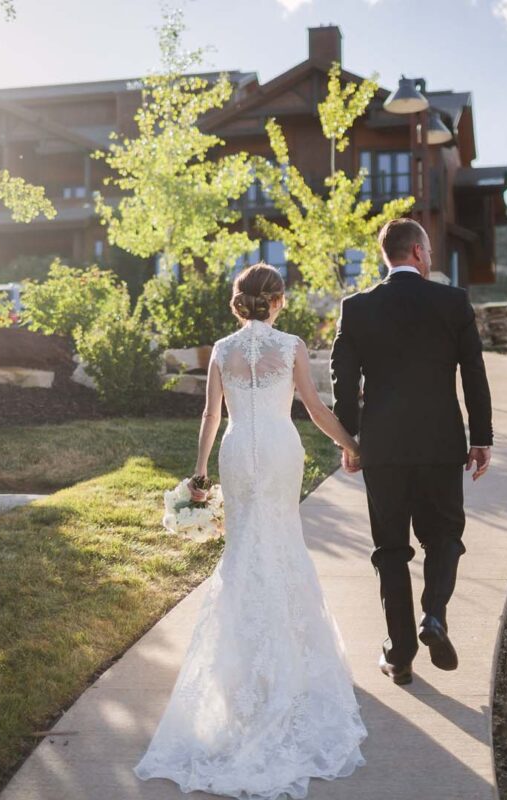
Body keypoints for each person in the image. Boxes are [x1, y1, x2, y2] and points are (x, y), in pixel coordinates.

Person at [134, 263, 367, 799]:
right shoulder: (292, 346)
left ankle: (238, 670)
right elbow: (312, 407)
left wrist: (200, 472)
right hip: (281, 453)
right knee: (282, 546)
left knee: (244, 553)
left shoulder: (221, 349)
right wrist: (353, 444)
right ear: (278, 300)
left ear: (240, 303)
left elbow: (211, 417)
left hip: (238, 455)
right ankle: (284, 662)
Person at [330, 217, 493, 686]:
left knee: (391, 550)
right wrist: (481, 437)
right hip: (441, 444)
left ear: (388, 255)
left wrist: (351, 438)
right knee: (444, 537)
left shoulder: (356, 308)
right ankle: (434, 616)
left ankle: (400, 655)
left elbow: (344, 380)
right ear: (419, 253)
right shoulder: (452, 301)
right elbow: (474, 374)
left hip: (383, 448)